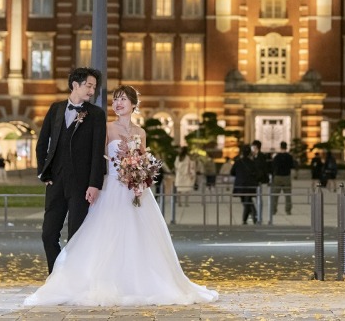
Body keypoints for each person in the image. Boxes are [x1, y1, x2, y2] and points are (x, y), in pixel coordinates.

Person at [24, 85, 217, 307]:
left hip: (133, 190)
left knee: (140, 238)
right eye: (115, 100)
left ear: (134, 104)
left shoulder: (140, 132)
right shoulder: (106, 128)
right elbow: (96, 157)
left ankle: (139, 282)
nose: (118, 103)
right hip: (111, 188)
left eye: (123, 99)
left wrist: (141, 180)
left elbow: (143, 160)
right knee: (105, 236)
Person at [35, 67, 107, 274]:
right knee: (48, 234)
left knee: (77, 237)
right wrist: (43, 172)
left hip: (81, 185)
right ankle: (57, 278)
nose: (92, 90)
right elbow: (42, 144)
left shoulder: (96, 115)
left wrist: (95, 184)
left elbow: (97, 152)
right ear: (75, 85)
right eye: (89, 85)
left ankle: (75, 281)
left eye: (94, 87)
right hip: (56, 182)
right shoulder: (55, 109)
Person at [231, 144, 259, 224]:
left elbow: (232, 172)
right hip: (249, 184)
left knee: (245, 201)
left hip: (240, 184)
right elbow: (256, 173)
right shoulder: (252, 163)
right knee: (248, 200)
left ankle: (247, 218)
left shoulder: (238, 162)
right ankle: (254, 216)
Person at [270, 141, 295, 215]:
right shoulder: (289, 156)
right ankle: (288, 210)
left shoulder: (276, 157)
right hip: (286, 176)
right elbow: (292, 166)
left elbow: (273, 166)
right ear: (286, 147)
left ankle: (273, 210)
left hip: (278, 177)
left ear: (280, 147)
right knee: (288, 195)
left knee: (275, 195)